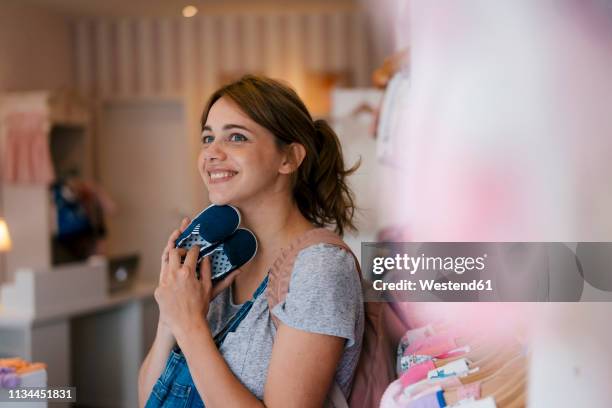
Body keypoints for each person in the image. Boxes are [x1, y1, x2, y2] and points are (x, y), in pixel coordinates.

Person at [138, 75, 364, 408]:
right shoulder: (217, 262)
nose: (211, 153)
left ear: (288, 158)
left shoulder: (320, 268)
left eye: (236, 137)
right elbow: (147, 400)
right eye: (207, 137)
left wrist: (190, 325)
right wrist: (170, 312)